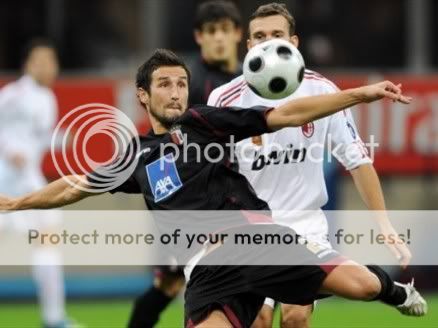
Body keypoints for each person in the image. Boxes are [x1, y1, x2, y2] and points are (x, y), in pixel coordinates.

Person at [0, 49, 426, 328]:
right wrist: (18, 202)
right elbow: (74, 186)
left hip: (259, 240)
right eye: (164, 84)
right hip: (206, 268)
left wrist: (359, 95)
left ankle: (395, 291)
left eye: (182, 83)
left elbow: (286, 114)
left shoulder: (204, 122)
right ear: (142, 95)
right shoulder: (135, 158)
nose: (175, 92)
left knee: (367, 288)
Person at [207, 3, 413, 327]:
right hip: (249, 229)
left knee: (295, 317)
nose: (268, 42)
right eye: (259, 36)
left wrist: (384, 224)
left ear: (294, 43)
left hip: (304, 226)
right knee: (257, 319)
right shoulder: (224, 98)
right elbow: (210, 172)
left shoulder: (323, 91)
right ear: (248, 47)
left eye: (277, 34)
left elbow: (358, 161)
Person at [127, 1, 243, 327]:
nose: (218, 38)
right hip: (191, 202)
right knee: (169, 284)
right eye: (210, 31)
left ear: (237, 34)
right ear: (199, 37)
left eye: (224, 30)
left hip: (239, 195)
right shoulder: (192, 82)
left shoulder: (253, 78)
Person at [0, 39, 71, 328]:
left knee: (48, 239)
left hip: (29, 182)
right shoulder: (13, 94)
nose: (50, 66)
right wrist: (8, 150)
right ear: (28, 64)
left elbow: (40, 138)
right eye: (42, 60)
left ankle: (54, 318)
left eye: (52, 61)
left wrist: (69, 139)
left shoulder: (47, 98)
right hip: (5, 181)